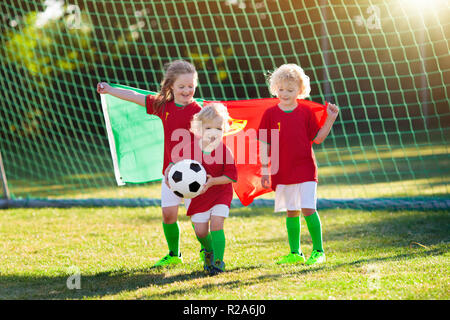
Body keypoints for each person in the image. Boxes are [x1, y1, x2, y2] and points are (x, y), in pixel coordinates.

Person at [97, 60, 202, 268]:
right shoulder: (163, 106)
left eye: (191, 86)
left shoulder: (198, 110)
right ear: (171, 86)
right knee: (168, 214)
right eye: (182, 86)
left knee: (199, 223)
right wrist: (109, 90)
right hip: (170, 174)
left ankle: (207, 250)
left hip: (194, 175)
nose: (187, 90)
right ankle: (174, 254)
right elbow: (136, 97)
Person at [258, 64, 339, 265]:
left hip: (305, 168)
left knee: (308, 208)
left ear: (300, 91)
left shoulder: (305, 112)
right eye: (281, 89)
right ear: (275, 88)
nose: (285, 93)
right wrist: (265, 170)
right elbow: (264, 144)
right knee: (291, 210)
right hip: (282, 170)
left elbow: (318, 139)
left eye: (290, 90)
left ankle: (319, 251)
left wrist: (330, 119)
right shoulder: (270, 114)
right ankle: (295, 252)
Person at [170, 103, 237, 275]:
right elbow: (178, 169)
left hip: (221, 193)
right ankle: (208, 249)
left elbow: (231, 176)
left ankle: (218, 261)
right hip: (198, 197)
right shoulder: (189, 148)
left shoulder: (224, 151)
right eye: (208, 128)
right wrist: (171, 174)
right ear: (199, 128)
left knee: (216, 224)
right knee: (200, 232)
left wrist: (214, 181)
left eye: (218, 128)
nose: (213, 132)